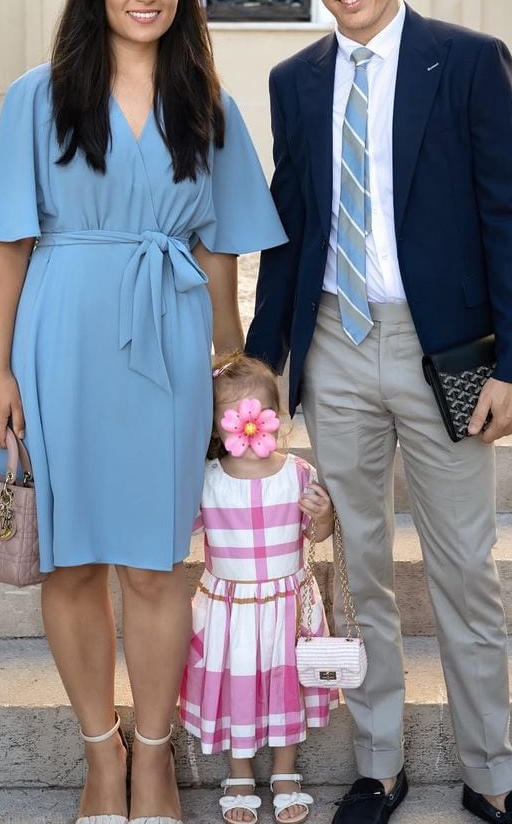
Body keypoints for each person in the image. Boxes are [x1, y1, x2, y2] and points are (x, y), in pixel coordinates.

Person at [0, 0, 286, 824]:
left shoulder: (206, 104)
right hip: (59, 338)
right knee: (66, 565)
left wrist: (231, 362)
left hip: (170, 346)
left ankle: (153, 758)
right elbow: (8, 244)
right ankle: (99, 757)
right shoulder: (40, 95)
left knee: (153, 565)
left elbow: (221, 248)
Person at [246, 0, 512, 824]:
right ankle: (379, 767)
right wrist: (265, 364)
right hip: (336, 347)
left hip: (446, 352)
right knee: (363, 570)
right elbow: (291, 228)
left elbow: (511, 216)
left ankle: (493, 778)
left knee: (467, 568)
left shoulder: (466, 62)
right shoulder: (295, 81)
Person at [179, 352, 336, 824]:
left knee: (286, 685)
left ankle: (286, 771)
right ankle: (239, 770)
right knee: (235, 686)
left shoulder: (298, 474)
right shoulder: (207, 481)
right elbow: (181, 529)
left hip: (285, 605)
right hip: (228, 609)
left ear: (275, 418)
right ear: (215, 426)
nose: (246, 431)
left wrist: (323, 515)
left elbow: (319, 534)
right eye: (233, 419)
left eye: (256, 417)